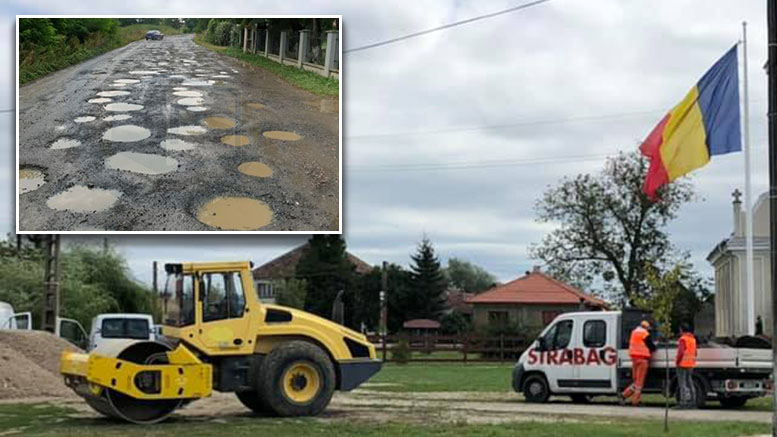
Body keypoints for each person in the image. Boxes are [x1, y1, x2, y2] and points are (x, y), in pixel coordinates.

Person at [621, 320, 656, 406]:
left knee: (636, 380)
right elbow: (651, 346)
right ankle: (635, 401)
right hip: (642, 358)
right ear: (646, 328)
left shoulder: (634, 332)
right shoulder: (644, 334)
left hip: (634, 358)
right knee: (639, 382)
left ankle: (625, 394)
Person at [675, 323, 698, 409]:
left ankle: (683, 402)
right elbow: (695, 352)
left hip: (682, 364)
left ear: (681, 329)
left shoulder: (682, 339)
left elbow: (681, 352)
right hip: (691, 364)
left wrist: (677, 362)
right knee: (690, 382)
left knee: (682, 384)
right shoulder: (693, 339)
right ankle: (693, 401)